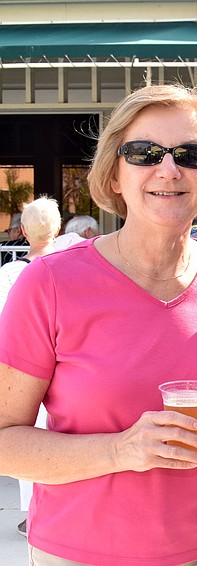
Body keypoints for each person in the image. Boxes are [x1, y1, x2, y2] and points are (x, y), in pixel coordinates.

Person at [0, 83, 197, 565]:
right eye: (144, 152)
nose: (168, 169)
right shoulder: (49, 283)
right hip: (81, 553)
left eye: (191, 155)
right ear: (114, 174)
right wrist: (120, 450)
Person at [0, 197, 62, 538]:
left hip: (21, 366)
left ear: (23, 230)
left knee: (25, 435)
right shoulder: (70, 268)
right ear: (58, 229)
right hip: (63, 366)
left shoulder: (10, 273)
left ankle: (34, 512)